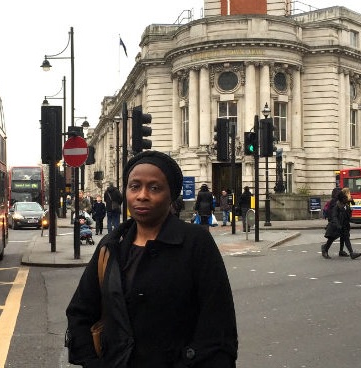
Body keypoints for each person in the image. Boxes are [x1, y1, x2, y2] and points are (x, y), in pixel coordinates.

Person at [66, 150, 238, 367]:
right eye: (134, 186)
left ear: (171, 195)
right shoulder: (112, 245)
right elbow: (80, 312)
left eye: (154, 188)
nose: (142, 195)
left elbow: (218, 328)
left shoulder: (196, 243)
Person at [321, 191, 361, 259]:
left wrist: (350, 211)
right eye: (345, 198)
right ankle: (325, 250)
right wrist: (338, 225)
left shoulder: (346, 206)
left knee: (346, 239)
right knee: (331, 239)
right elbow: (334, 216)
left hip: (344, 226)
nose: (347, 199)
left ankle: (352, 253)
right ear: (342, 199)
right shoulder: (336, 206)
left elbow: (348, 216)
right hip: (336, 226)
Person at [337, 187, 355, 257]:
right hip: (343, 218)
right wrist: (347, 200)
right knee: (345, 236)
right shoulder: (342, 198)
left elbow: (353, 204)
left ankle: (341, 251)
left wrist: (351, 199)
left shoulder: (349, 197)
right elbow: (342, 205)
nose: (349, 192)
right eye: (348, 191)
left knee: (344, 237)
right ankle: (351, 253)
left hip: (347, 217)